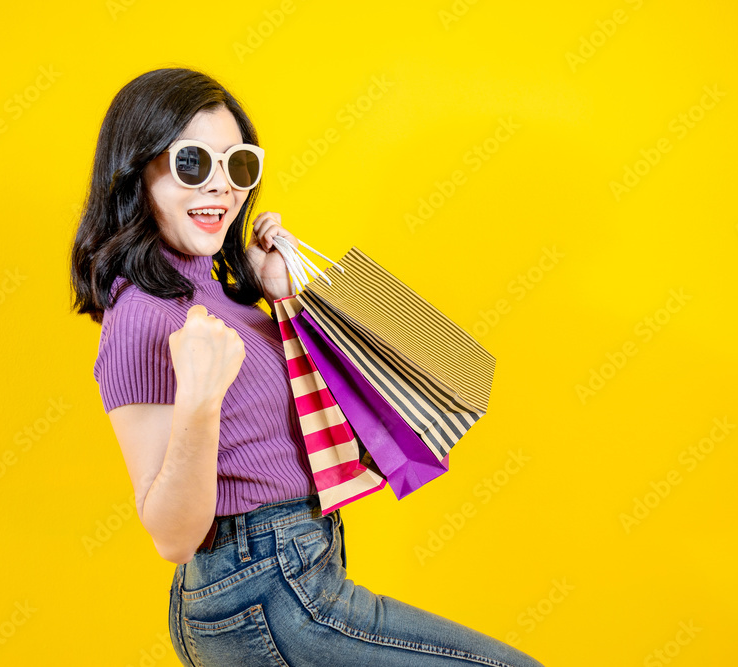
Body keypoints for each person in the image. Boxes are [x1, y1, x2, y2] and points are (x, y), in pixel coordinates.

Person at [69, 67, 545, 667]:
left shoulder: (218, 293)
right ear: (136, 173)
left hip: (291, 574)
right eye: (193, 163)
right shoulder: (142, 315)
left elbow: (309, 413)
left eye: (238, 165)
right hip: (265, 590)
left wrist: (279, 296)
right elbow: (171, 535)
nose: (222, 187)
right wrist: (197, 402)